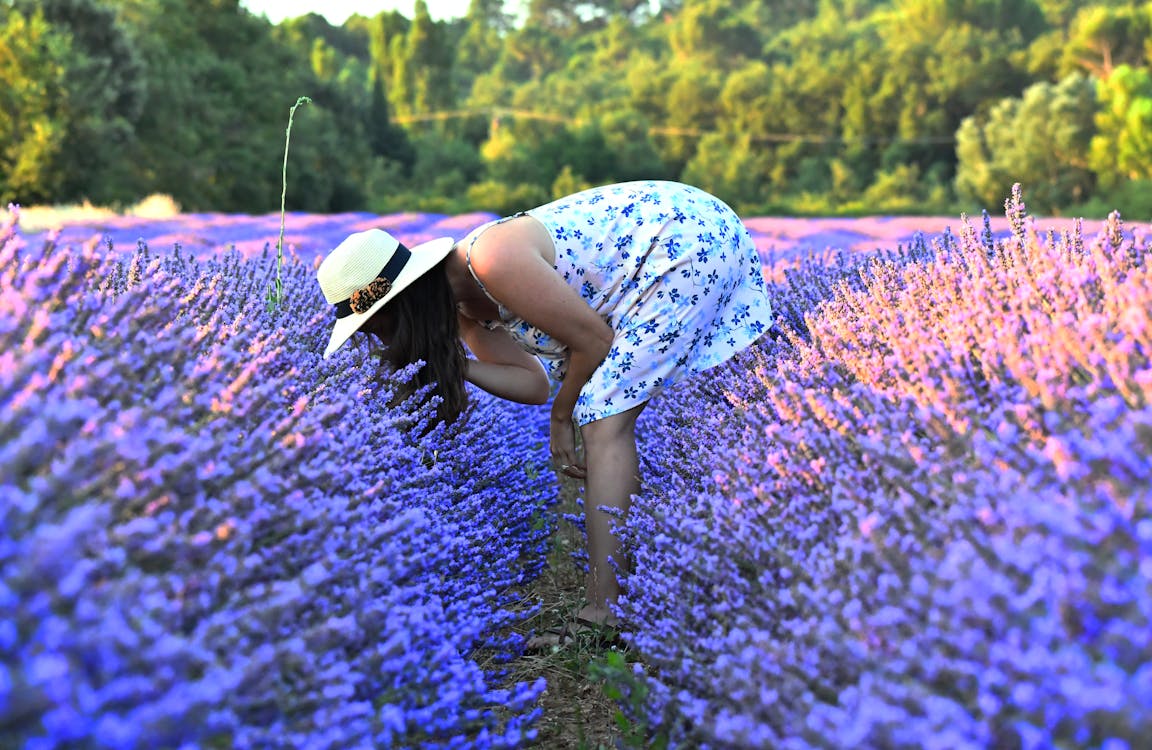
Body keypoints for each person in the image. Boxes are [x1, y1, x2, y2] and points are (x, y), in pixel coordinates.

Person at [316, 180, 773, 643]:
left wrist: (563, 417)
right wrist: (460, 369)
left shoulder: (492, 262)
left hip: (686, 240)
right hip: (664, 251)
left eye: (379, 326)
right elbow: (533, 382)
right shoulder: (461, 308)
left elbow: (593, 342)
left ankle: (606, 615)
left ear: (402, 305)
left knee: (601, 419)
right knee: (600, 413)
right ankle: (623, 597)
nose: (383, 341)